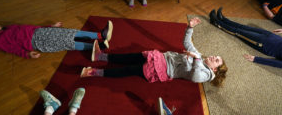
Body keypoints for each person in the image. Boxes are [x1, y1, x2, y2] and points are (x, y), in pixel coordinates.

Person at [81, 17, 228, 87]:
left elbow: (195, 77)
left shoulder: (206, 75)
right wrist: (190, 28)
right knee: (129, 57)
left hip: (162, 69)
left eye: (216, 60)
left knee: (127, 70)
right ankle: (101, 56)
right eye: (216, 56)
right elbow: (187, 44)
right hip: (160, 58)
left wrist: (196, 59)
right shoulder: (201, 56)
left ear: (214, 69)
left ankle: (94, 72)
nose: (214, 56)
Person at [209, 7, 282, 71]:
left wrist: (257, 59)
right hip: (272, 36)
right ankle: (223, 19)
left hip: (265, 44)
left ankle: (217, 22)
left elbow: (281, 64)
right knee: (243, 27)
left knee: (238, 32)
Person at [0, 20, 113, 59]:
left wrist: (52, 26)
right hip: (37, 41)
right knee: (67, 41)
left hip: (40, 32)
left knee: (70, 32)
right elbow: (13, 49)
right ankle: (95, 47)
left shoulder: (8, 27)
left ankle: (100, 35)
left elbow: (31, 28)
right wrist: (27, 54)